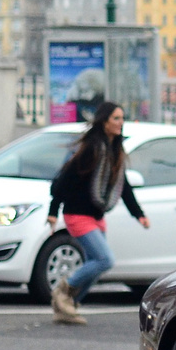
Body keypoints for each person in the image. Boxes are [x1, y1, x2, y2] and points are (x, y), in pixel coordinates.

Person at [46, 101, 149, 325]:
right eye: (116, 118)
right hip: (76, 213)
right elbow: (64, 179)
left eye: (122, 118)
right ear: (104, 122)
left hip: (97, 216)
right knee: (104, 259)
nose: (121, 123)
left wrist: (138, 214)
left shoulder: (115, 150)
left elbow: (124, 186)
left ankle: (68, 308)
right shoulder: (91, 148)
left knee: (94, 265)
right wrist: (53, 211)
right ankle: (62, 293)